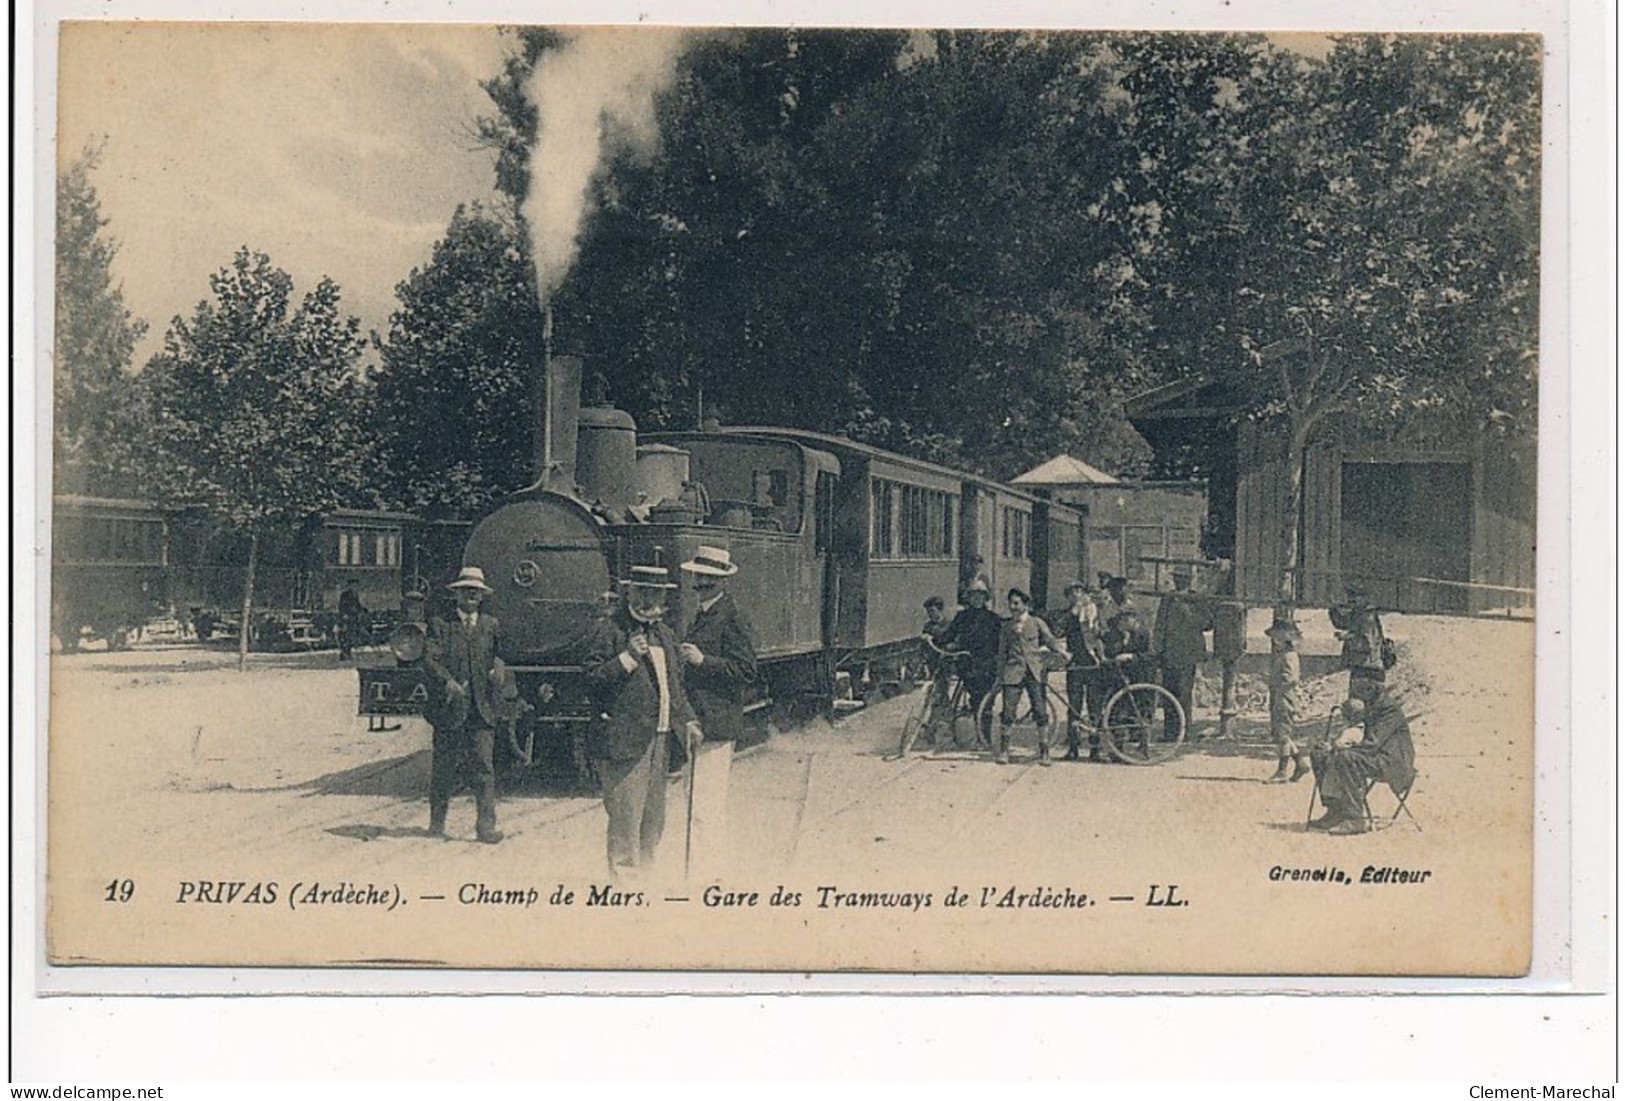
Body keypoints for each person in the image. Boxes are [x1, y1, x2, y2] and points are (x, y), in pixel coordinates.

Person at [585, 565, 704, 879]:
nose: (648, 599)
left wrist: (689, 720)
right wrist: (626, 658)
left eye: (655, 593)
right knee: (626, 816)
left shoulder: (665, 634)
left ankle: (646, 878)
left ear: (664, 596)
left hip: (661, 738)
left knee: (654, 818)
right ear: (629, 593)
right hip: (625, 739)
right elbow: (590, 679)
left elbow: (674, 688)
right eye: (642, 592)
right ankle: (624, 885)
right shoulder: (610, 630)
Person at [421, 567, 505, 844]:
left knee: (483, 767)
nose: (471, 596)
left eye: (476, 592)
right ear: (456, 594)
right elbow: (430, 659)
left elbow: (500, 655)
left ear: (482, 597)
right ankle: (437, 823)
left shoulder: (490, 625)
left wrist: (498, 668)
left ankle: (486, 827)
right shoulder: (441, 625)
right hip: (450, 709)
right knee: (444, 767)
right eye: (466, 591)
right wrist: (447, 682)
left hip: (481, 709)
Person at [1308, 679, 1416, 835]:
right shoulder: (1372, 704)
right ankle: (1335, 810)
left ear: (1372, 688)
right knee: (1320, 754)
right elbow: (1357, 735)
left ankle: (1355, 818)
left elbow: (1372, 743)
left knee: (1346, 758)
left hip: (1392, 762)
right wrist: (1332, 746)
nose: (1357, 697)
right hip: (1376, 756)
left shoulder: (1389, 709)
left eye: (1360, 693)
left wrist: (1338, 747)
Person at [677, 546, 760, 747]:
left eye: (710, 578)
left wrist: (703, 661)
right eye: (699, 576)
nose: (703, 582)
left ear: (723, 581)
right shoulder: (702, 613)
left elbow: (746, 670)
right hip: (698, 720)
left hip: (717, 723)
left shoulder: (733, 616)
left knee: (710, 778)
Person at [995, 588, 1066, 765]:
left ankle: (1044, 752)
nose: (1013, 607)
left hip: (1035, 672)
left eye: (1017, 603)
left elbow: (1050, 640)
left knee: (1041, 712)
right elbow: (1002, 654)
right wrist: (999, 677)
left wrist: (1062, 652)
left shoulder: (1037, 622)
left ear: (1026, 605)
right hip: (1013, 673)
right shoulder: (1006, 627)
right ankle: (1004, 751)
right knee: (1008, 712)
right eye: (1011, 603)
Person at [939, 577, 1001, 746]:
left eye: (980, 595)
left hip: (987, 666)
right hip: (967, 665)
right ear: (968, 597)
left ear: (985, 598)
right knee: (975, 701)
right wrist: (933, 638)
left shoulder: (993, 619)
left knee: (985, 705)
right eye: (973, 595)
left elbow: (999, 644)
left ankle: (984, 739)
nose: (976, 599)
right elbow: (948, 636)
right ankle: (971, 734)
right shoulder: (961, 617)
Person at [1153, 566, 1212, 740]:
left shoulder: (1195, 599)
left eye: (1183, 578)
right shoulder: (1168, 598)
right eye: (1177, 578)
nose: (1179, 581)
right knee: (1168, 694)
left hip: (1187, 655)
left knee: (1184, 693)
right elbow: (1160, 624)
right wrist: (1158, 650)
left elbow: (1208, 623)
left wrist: (1191, 615)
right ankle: (1169, 733)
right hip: (1169, 654)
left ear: (1189, 580)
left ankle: (1184, 732)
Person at [1055, 580, 1106, 761]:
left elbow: (1101, 633)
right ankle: (1073, 747)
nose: (1076, 594)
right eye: (1072, 592)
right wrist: (1072, 613)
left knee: (1095, 706)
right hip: (1076, 664)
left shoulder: (1094, 611)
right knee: (1073, 707)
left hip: (1093, 664)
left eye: (1079, 591)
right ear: (1068, 597)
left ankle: (1095, 748)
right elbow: (1058, 630)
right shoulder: (1068, 614)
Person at [1264, 619, 1311, 784]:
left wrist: (1278, 687)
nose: (1275, 640)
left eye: (1277, 637)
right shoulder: (1283, 655)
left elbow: (1292, 679)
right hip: (1280, 696)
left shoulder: (1289, 656)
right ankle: (1300, 763)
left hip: (1284, 698)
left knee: (1283, 736)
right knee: (1282, 734)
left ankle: (1282, 771)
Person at [1329, 584, 1388, 696]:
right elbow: (1342, 623)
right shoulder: (1358, 613)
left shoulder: (1367, 617)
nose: (1351, 601)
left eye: (1354, 598)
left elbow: (1367, 644)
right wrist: (1333, 609)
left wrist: (1347, 637)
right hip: (1362, 667)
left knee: (1359, 705)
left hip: (1368, 669)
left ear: (1363, 598)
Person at [337, 580, 366, 661]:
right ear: (349, 586)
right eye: (353, 585)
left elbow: (357, 605)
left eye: (356, 586)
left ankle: (348, 653)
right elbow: (342, 606)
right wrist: (344, 615)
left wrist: (362, 610)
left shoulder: (355, 594)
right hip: (346, 618)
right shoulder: (344, 595)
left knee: (351, 636)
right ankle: (344, 654)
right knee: (345, 636)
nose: (355, 587)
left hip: (353, 618)